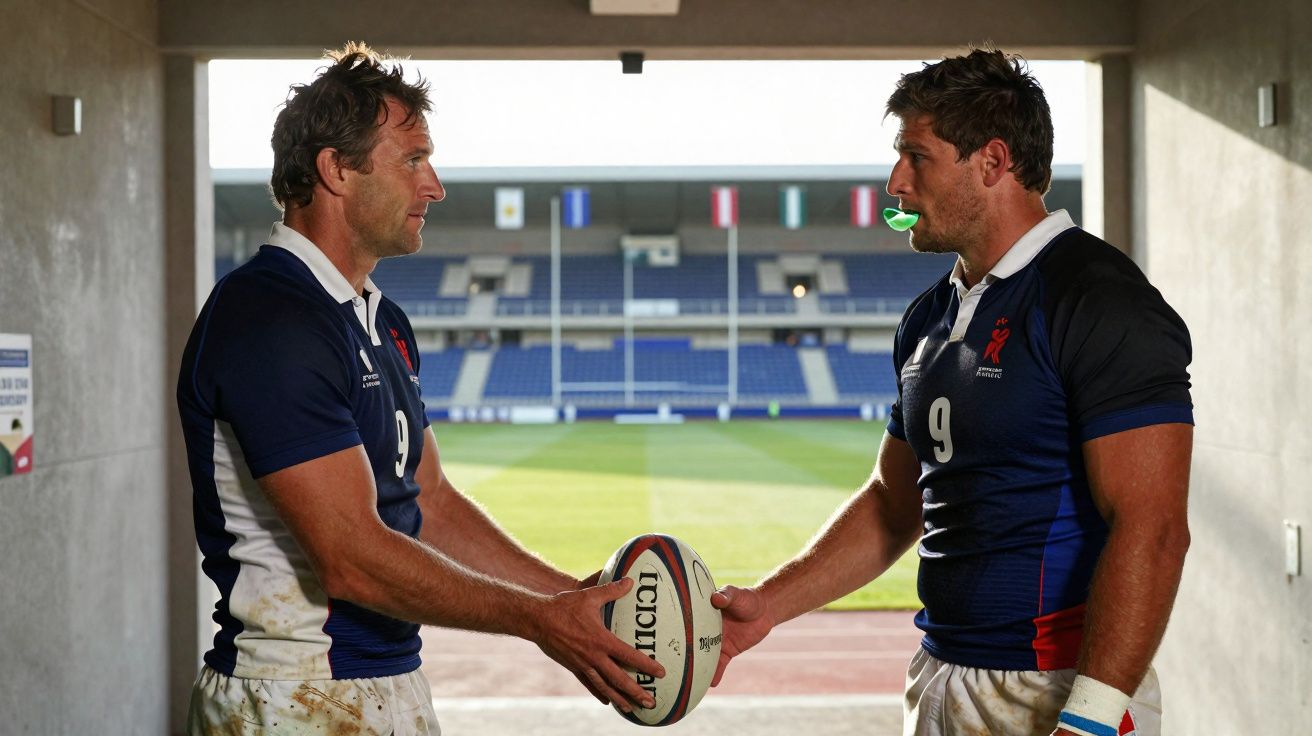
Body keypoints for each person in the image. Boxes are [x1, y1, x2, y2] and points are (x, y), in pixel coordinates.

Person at [176, 43, 662, 735]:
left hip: (381, 680)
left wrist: (573, 600)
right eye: (413, 160)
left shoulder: (380, 318)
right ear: (336, 169)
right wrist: (537, 620)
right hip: (295, 693)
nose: (434, 186)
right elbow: (350, 560)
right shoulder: (271, 317)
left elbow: (430, 502)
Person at [712, 48, 1193, 736]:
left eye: (917, 157)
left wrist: (1089, 719)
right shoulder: (927, 317)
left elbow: (1154, 528)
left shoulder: (1098, 298)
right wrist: (769, 604)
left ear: (993, 161)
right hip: (940, 674)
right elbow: (892, 505)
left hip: (1057, 688)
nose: (895, 182)